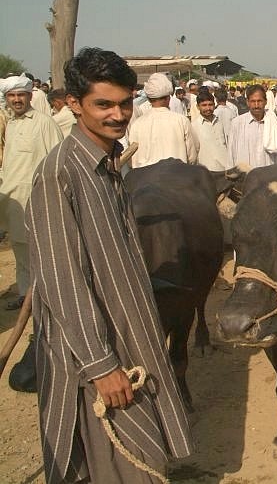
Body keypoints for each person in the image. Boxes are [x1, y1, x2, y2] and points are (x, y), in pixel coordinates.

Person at [27, 47, 193, 484]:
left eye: (124, 103)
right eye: (104, 104)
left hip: (128, 334)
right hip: (92, 354)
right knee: (112, 462)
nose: (117, 114)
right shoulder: (60, 173)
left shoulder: (108, 166)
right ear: (74, 104)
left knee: (135, 456)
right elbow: (62, 281)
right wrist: (101, 365)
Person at [0, 76, 63, 311]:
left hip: (36, 200)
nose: (16, 100)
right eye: (12, 96)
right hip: (12, 200)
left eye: (21, 95)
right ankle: (26, 296)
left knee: (42, 253)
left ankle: (45, 299)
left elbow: (58, 161)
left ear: (29, 96)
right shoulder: (12, 123)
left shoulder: (44, 123)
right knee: (20, 251)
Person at [127, 72, 198, 168]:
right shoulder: (181, 121)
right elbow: (192, 155)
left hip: (145, 180)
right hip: (177, 177)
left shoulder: (137, 124)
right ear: (169, 98)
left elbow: (132, 159)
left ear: (148, 99)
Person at [227, 84, 277, 167]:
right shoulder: (237, 123)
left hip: (267, 174)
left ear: (265, 101)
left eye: (259, 101)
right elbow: (231, 153)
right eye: (253, 101)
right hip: (245, 176)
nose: (256, 105)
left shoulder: (272, 122)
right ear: (247, 102)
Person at [191, 90, 232, 171]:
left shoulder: (219, 122)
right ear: (198, 107)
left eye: (210, 105)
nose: (208, 108)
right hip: (206, 172)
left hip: (225, 169)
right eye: (204, 105)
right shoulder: (194, 126)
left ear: (214, 105)